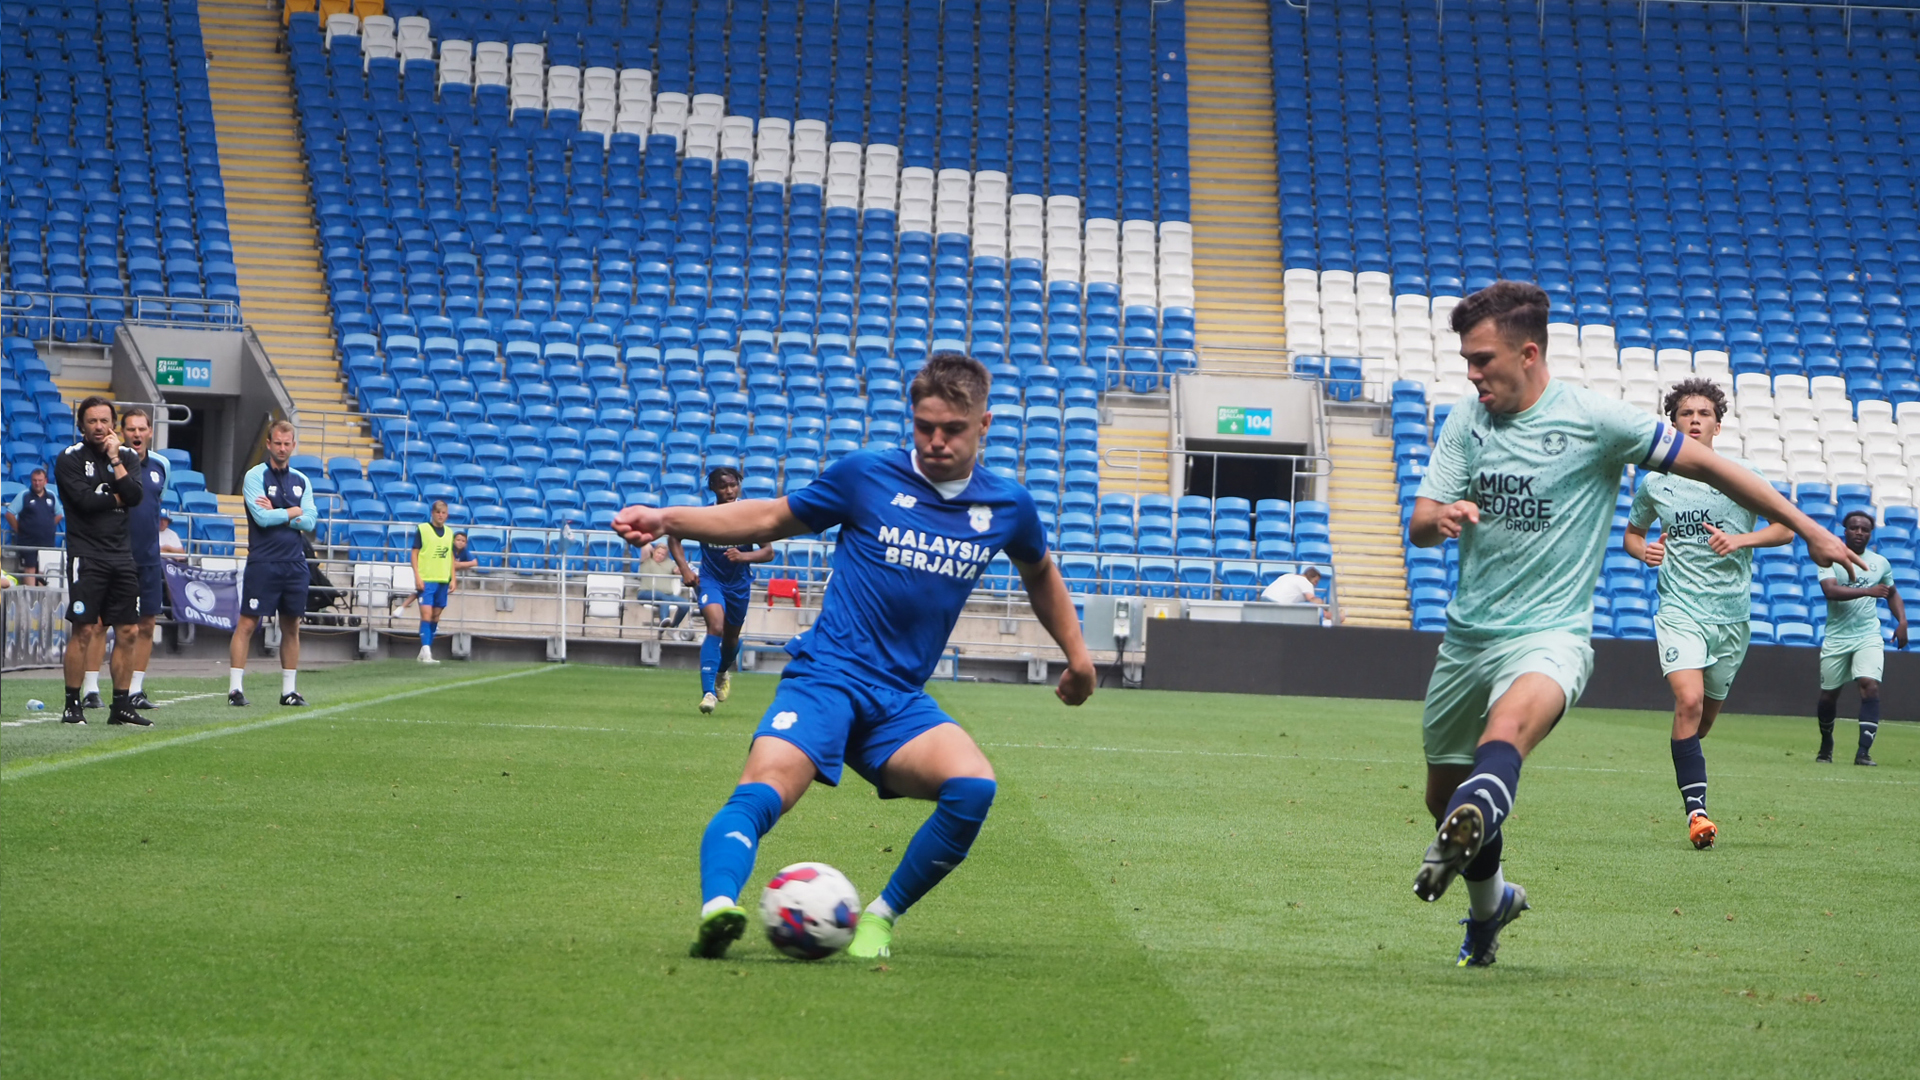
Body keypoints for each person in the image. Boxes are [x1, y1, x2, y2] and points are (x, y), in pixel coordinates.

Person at [1406, 282, 1862, 967]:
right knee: (1445, 798)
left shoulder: (1598, 420)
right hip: (1468, 637)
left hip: (1550, 636)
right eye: (1466, 360)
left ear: (1528, 353)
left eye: (1481, 359)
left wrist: (1810, 531)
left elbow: (1713, 466)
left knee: (1503, 742)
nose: (1471, 374)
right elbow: (1417, 523)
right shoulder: (1465, 422)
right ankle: (1491, 903)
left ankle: (1489, 845)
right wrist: (1439, 520)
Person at [613, 352, 1097, 962]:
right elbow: (768, 515)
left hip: (897, 703)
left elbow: (1040, 573)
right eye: (925, 427)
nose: (936, 441)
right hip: (827, 679)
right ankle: (719, 910)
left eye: (953, 429)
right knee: (762, 790)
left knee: (974, 787)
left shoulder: (1008, 507)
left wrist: (1078, 657)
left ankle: (881, 918)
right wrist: (665, 517)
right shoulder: (866, 475)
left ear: (984, 425)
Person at [1623, 379, 1793, 850]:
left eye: (1703, 413)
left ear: (1719, 423)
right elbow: (1632, 535)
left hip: (1732, 618)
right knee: (1689, 702)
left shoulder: (1744, 477)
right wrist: (1644, 552)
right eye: (1684, 413)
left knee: (1702, 723)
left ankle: (1687, 763)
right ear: (1672, 422)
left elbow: (1785, 529)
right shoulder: (1655, 482)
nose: (1694, 420)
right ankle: (1696, 813)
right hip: (1679, 608)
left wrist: (1741, 539)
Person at [53, 396, 153, 727]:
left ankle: (120, 706)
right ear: (81, 425)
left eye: (105, 421)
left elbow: (136, 497)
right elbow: (83, 502)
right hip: (87, 555)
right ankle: (72, 704)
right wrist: (116, 496)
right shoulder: (68, 459)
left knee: (128, 630)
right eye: (93, 421)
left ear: (113, 424)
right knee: (83, 630)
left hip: (121, 556)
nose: (100, 427)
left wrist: (114, 460)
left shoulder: (124, 456)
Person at [668, 466, 777, 713]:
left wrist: (744, 555)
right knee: (715, 626)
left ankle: (722, 672)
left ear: (739, 485)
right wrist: (685, 569)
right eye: (723, 486)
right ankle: (708, 694)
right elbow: (674, 537)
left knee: (731, 639)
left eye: (733, 485)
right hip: (710, 581)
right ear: (713, 489)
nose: (729, 490)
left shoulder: (749, 516)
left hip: (738, 585)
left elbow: (768, 551)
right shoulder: (705, 516)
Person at [89, 407, 170, 710]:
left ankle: (135, 689)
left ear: (150, 431)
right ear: (122, 432)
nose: (137, 434)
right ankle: (90, 687)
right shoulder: (108, 462)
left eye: (142, 429)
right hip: (112, 555)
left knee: (146, 625)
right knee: (99, 624)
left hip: (147, 558)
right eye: (131, 429)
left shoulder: (161, 465)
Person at [230, 421, 315, 707]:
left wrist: (280, 512)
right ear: (268, 444)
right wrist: (293, 511)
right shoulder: (255, 476)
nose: (282, 448)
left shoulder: (302, 480)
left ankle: (289, 691)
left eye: (286, 443)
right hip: (263, 561)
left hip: (294, 563)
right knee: (247, 623)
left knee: (292, 625)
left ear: (293, 445)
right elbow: (262, 519)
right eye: (277, 443)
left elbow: (312, 520)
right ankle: (235, 689)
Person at [1815, 511, 1907, 766]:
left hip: (1868, 635)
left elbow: (1892, 593)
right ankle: (1826, 742)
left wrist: (1902, 621)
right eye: (1854, 528)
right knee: (1828, 696)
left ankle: (1863, 752)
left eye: (1864, 529)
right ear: (1844, 531)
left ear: (1870, 534)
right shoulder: (1829, 558)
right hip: (1836, 637)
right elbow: (1830, 591)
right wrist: (1868, 591)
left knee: (1870, 685)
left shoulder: (1880, 563)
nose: (1859, 532)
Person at [411, 499, 455, 664]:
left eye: (443, 513)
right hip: (427, 578)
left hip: (442, 578)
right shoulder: (423, 530)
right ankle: (427, 652)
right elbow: (414, 553)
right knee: (426, 615)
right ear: (432, 513)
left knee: (435, 616)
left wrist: (453, 577)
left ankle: (424, 649)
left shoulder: (450, 532)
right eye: (438, 512)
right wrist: (417, 575)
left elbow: (450, 555)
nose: (441, 515)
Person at [5, 466, 62, 585]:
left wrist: (49, 526)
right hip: (28, 541)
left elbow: (59, 514)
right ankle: (29, 600)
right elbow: (9, 514)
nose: (37, 483)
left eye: (40, 480)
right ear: (31, 481)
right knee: (30, 569)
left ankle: (43, 599)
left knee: (43, 570)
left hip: (47, 540)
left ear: (45, 481)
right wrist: (20, 530)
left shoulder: (51, 495)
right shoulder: (24, 495)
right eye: (34, 480)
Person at [636, 539, 693, 632]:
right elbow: (645, 546)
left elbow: (677, 571)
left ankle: (673, 626)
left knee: (685, 604)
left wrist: (682, 566)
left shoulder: (669, 563)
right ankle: (664, 620)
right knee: (663, 597)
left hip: (667, 595)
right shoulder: (646, 560)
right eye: (658, 553)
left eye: (663, 554)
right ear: (654, 551)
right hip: (645, 593)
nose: (660, 556)